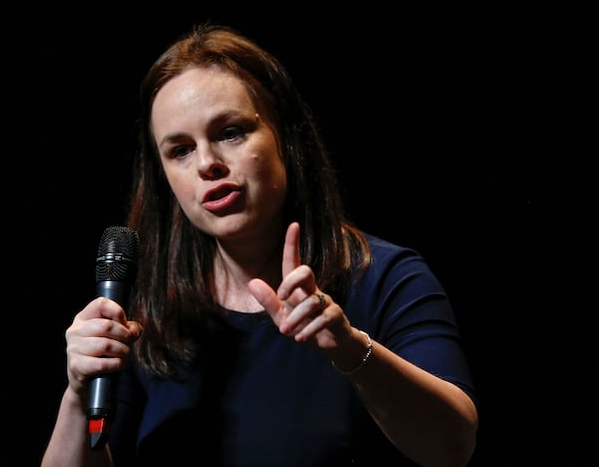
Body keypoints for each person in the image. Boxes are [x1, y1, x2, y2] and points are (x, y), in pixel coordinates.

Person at [41, 23, 478, 466]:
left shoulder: (384, 277)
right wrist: (78, 393)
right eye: (180, 150)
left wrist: (349, 350)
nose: (208, 164)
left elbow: (452, 448)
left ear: (285, 137)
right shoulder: (144, 310)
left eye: (229, 132)